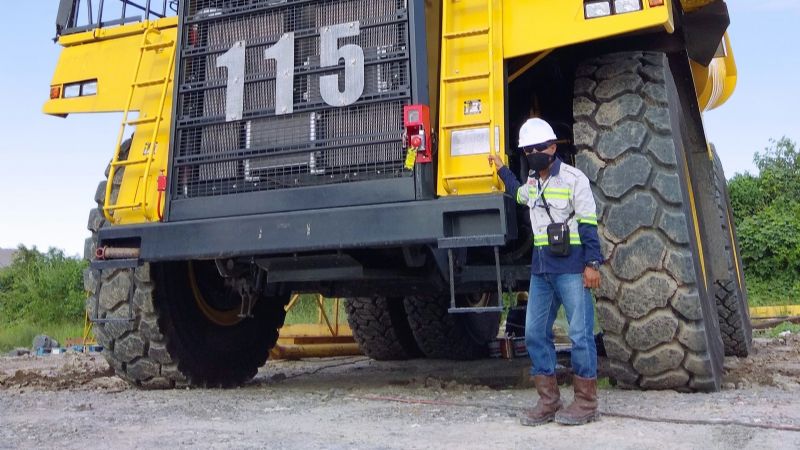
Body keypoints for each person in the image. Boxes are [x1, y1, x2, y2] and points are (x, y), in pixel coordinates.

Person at [488, 118, 603, 426]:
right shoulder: (532, 183)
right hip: (542, 271)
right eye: (529, 149)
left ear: (553, 147)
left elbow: (589, 225)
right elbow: (517, 194)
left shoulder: (573, 179)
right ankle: (549, 401)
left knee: (580, 335)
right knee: (535, 334)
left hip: (571, 268)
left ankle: (586, 402)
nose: (535, 152)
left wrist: (592, 265)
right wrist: (501, 169)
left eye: (540, 147)